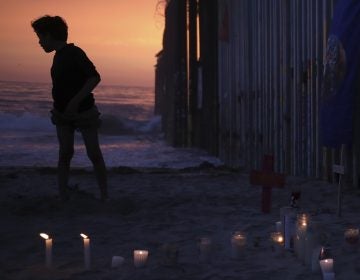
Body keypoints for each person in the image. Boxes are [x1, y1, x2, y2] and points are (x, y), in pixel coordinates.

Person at [31, 15, 108, 201]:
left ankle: (105, 196)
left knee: (94, 154)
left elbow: (94, 77)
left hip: (84, 111)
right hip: (62, 113)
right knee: (65, 153)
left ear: (49, 35)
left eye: (40, 37)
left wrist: (75, 102)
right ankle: (63, 195)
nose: (39, 42)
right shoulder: (58, 56)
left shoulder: (75, 53)